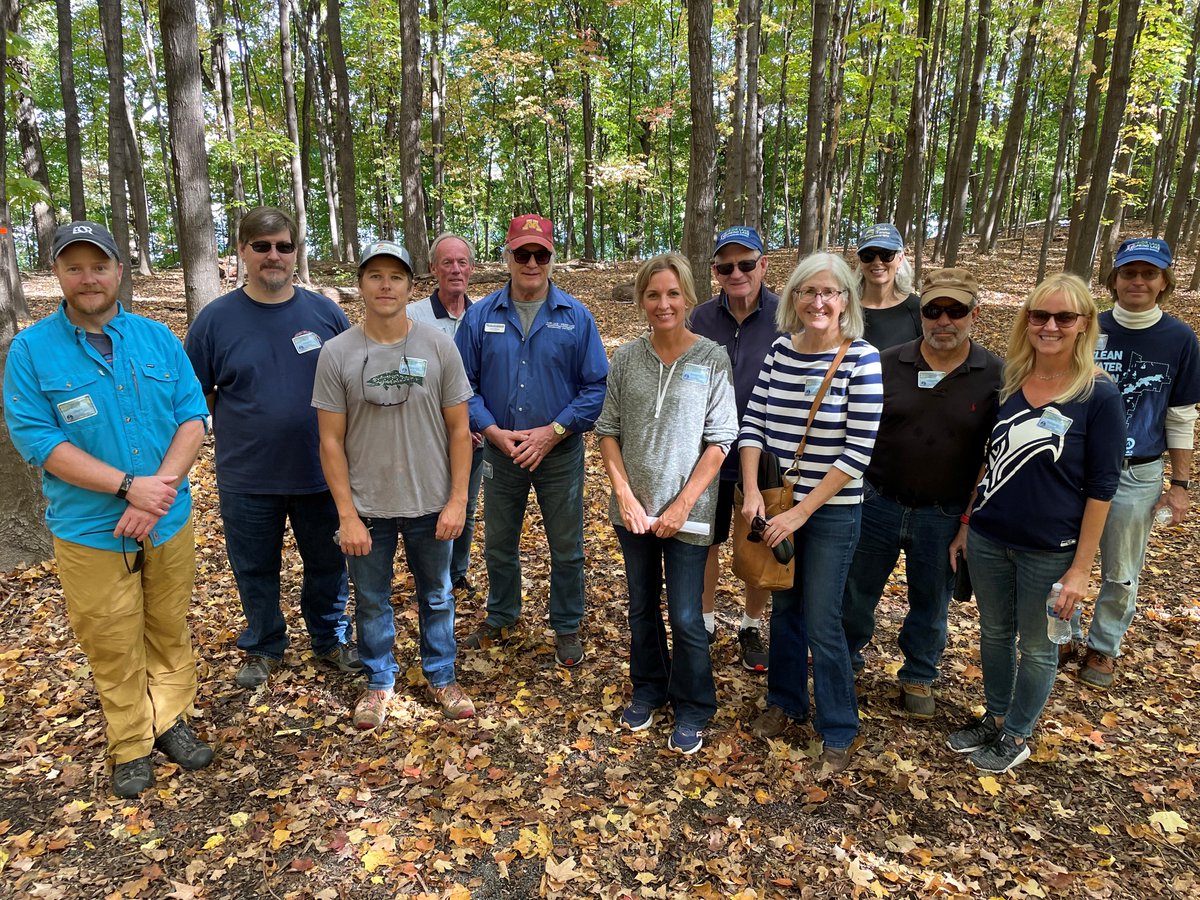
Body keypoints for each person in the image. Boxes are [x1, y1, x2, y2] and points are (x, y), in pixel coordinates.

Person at [4, 221, 213, 798]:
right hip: (90, 529)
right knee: (111, 639)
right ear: (57, 274)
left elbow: (193, 416)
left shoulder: (157, 338)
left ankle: (170, 720)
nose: (88, 278)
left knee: (168, 627)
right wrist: (127, 488)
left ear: (119, 270)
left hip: (166, 520)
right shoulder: (31, 350)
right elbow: (38, 440)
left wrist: (156, 493)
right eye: (74, 268)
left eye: (98, 266)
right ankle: (131, 743)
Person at [947, 273, 1125, 773]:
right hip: (990, 537)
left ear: (1084, 324)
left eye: (1064, 317)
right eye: (1040, 315)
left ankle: (1018, 734)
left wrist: (1081, 569)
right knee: (994, 634)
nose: (1050, 326)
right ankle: (996, 716)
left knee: (1039, 647)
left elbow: (1102, 489)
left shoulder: (1099, 395)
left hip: (1050, 549)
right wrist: (967, 523)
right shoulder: (1009, 382)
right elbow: (989, 461)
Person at [185, 206, 358, 689]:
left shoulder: (325, 313)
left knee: (328, 563)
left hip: (321, 471)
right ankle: (263, 644)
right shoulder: (214, 321)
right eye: (261, 246)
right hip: (248, 475)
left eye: (284, 246)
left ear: (295, 251)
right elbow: (196, 395)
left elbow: (353, 384)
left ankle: (330, 638)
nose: (273, 255)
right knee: (255, 567)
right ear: (242, 251)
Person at [313, 240, 475, 729]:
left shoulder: (438, 345)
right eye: (375, 276)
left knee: (438, 596)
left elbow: (459, 430)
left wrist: (458, 501)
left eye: (396, 277)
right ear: (361, 285)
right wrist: (346, 515)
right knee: (371, 599)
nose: (386, 286)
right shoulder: (337, 352)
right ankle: (379, 681)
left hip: (431, 500)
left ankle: (442, 676)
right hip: (367, 506)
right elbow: (330, 441)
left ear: (410, 286)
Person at [739, 252, 883, 775]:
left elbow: (857, 453)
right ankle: (785, 701)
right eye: (807, 291)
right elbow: (753, 424)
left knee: (823, 619)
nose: (818, 302)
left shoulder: (862, 359)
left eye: (829, 292)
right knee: (786, 607)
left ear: (846, 300)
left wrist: (800, 514)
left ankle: (838, 727)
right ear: (793, 298)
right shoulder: (780, 351)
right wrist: (752, 490)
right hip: (777, 504)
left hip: (830, 513)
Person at [842, 268, 1003, 717]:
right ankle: (845, 660)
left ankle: (918, 674)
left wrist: (968, 520)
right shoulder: (885, 363)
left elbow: (995, 454)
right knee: (855, 593)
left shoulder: (995, 375)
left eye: (956, 311)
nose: (943, 321)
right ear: (921, 313)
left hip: (944, 511)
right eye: (933, 310)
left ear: (974, 314)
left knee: (931, 601)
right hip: (877, 500)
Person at [596, 253, 737, 755]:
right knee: (641, 607)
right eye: (653, 294)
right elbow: (607, 431)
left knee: (685, 615)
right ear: (641, 300)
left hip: (689, 516)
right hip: (634, 513)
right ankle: (649, 688)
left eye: (673, 293)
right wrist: (625, 495)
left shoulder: (712, 358)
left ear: (688, 298)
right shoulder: (626, 359)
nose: (664, 303)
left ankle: (694, 703)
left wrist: (682, 506)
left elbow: (721, 439)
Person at [454, 215, 608, 667]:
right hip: (500, 452)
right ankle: (502, 614)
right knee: (499, 543)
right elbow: (462, 385)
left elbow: (596, 387)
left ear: (552, 259)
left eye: (541, 254)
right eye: (522, 253)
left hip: (559, 453)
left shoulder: (575, 317)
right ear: (508, 257)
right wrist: (491, 430)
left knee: (567, 546)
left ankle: (566, 623)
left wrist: (555, 431)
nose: (532, 263)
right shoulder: (481, 315)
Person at [1075, 238, 1200, 687]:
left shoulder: (1180, 339)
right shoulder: (1086, 326)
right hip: (1075, 463)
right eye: (1129, 273)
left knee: (1122, 568)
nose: (1138, 282)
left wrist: (1180, 485)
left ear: (1164, 281)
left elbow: (1181, 415)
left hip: (1137, 469)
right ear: (1114, 279)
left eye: (1149, 274)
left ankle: (1104, 646)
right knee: (1059, 555)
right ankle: (1062, 633)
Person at [689, 225, 782, 672]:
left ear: (763, 265)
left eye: (746, 264)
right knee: (704, 541)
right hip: (708, 451)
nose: (737, 274)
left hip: (766, 455)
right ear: (715, 272)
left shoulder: (787, 315)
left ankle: (750, 625)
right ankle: (705, 622)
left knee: (758, 543)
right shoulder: (700, 318)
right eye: (726, 267)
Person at [408, 233, 485, 603]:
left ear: (471, 268)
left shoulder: (483, 314)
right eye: (447, 263)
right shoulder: (413, 316)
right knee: (427, 510)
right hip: (427, 436)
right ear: (433, 269)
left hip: (474, 436)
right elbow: (409, 378)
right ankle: (430, 579)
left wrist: (477, 424)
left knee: (464, 506)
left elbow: (490, 376)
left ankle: (456, 574)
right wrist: (448, 424)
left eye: (462, 262)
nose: (455, 270)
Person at [856, 223, 921, 351]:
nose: (877, 262)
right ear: (860, 261)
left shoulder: (918, 310)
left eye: (886, 254)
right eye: (868, 256)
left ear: (900, 259)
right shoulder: (844, 308)